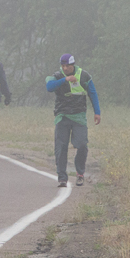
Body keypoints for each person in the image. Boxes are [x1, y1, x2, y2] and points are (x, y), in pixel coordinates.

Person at [44, 53, 99, 187]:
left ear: (73, 65)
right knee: (61, 147)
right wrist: (65, 79)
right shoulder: (57, 75)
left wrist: (97, 112)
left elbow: (92, 93)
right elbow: (49, 87)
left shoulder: (84, 76)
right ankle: (62, 177)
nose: (65, 68)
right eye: (63, 65)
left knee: (81, 145)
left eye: (67, 66)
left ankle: (80, 173)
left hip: (79, 116)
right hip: (62, 116)